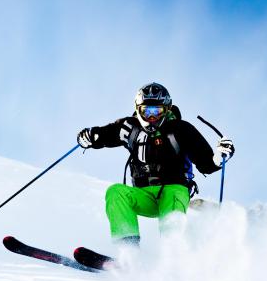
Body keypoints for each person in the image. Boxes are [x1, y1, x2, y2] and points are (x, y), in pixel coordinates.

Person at [77, 82, 235, 246]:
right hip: (143, 194)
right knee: (116, 192)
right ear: (138, 109)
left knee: (172, 198)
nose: (151, 117)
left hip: (174, 191)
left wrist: (219, 157)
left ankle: (173, 254)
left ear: (166, 110)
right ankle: (128, 251)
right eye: (146, 111)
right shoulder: (129, 127)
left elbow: (206, 164)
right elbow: (104, 135)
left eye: (157, 111)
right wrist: (89, 137)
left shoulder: (181, 129)